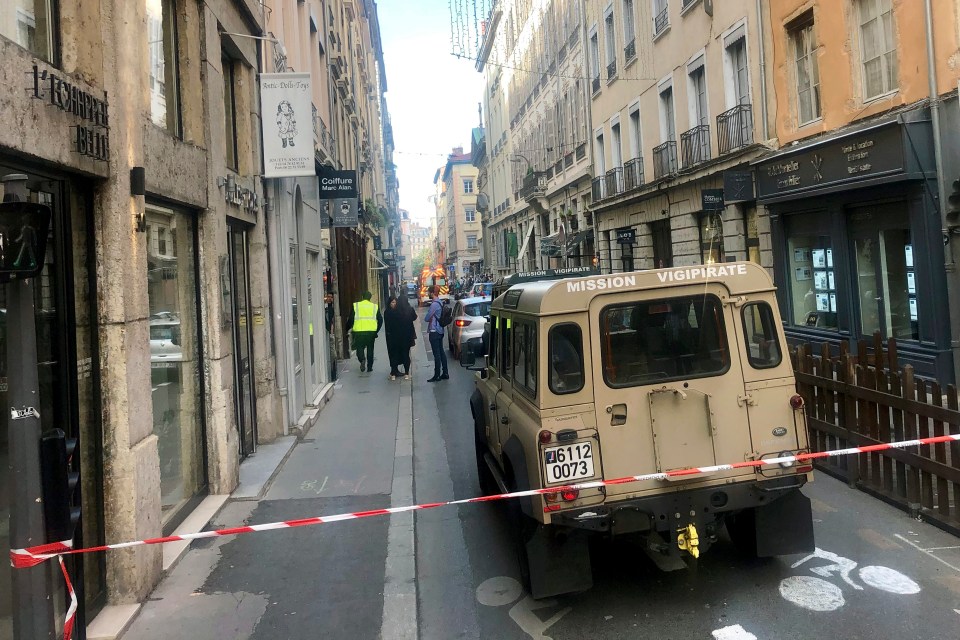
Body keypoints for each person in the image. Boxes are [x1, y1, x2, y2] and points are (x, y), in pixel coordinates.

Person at [345, 291, 382, 373]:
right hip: (371, 332)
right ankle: (369, 367)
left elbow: (351, 319)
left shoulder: (356, 305)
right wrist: (376, 331)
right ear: (370, 298)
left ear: (362, 297)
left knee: (359, 347)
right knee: (370, 349)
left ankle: (362, 359)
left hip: (359, 331)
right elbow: (380, 320)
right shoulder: (374, 306)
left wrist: (347, 328)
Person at [384, 295, 417, 380]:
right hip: (407, 337)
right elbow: (414, 317)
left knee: (394, 354)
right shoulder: (407, 310)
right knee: (406, 354)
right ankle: (407, 374)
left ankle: (393, 373)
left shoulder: (393, 312)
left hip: (394, 337)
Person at [425, 287, 449, 382]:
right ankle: (445, 372)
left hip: (434, 331)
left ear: (432, 293)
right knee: (441, 352)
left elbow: (427, 318)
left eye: (429, 292)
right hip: (440, 330)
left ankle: (437, 375)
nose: (428, 294)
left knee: (437, 354)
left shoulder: (434, 305)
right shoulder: (440, 302)